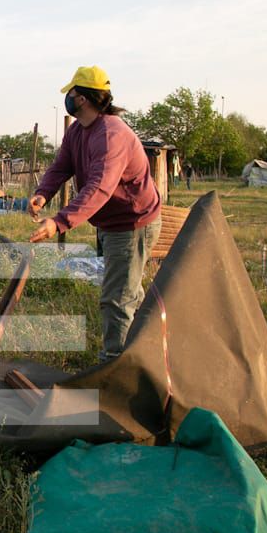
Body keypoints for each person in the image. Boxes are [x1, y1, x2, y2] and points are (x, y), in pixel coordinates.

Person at [28, 66, 162, 361]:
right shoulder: (78, 131)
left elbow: (100, 187)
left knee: (117, 299)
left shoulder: (112, 135)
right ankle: (153, 344)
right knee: (127, 290)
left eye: (71, 94)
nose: (68, 98)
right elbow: (62, 166)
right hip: (110, 223)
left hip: (132, 224)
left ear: (83, 99)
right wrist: (43, 193)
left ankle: (115, 366)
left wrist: (60, 222)